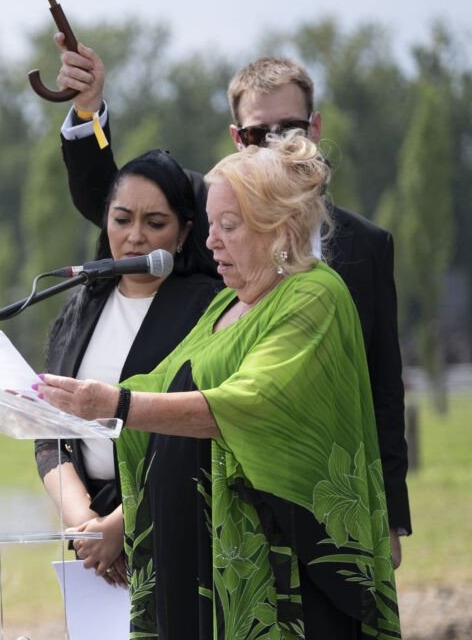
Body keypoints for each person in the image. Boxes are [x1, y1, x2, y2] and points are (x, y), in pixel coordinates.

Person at [52, 42, 411, 568]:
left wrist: (391, 517)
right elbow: (115, 203)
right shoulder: (214, 209)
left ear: (314, 129)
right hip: (231, 509)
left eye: (285, 131)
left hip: (326, 497)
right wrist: (88, 112)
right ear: (235, 139)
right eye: (254, 135)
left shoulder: (366, 245)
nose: (269, 148)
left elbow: (379, 386)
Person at [34, 132, 400, 638]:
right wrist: (59, 402)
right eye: (211, 226)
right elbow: (158, 386)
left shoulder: (313, 295)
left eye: (229, 226)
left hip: (278, 571)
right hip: (199, 565)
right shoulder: (225, 305)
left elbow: (250, 403)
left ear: (281, 228)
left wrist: (115, 402)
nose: (211, 242)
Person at [35, 149, 222, 587]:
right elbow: (50, 433)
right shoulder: (83, 302)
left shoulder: (210, 307)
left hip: (181, 523)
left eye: (155, 223)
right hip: (90, 538)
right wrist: (86, 526)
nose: (135, 236)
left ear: (184, 232)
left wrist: (123, 525)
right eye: (121, 220)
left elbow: (196, 431)